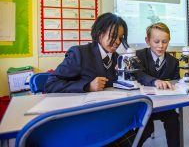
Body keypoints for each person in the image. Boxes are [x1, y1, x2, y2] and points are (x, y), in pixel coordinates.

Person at [45, 12, 135, 147]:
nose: (117, 42)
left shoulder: (117, 58)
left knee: (134, 130)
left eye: (120, 38)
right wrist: (87, 86)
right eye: (113, 36)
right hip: (85, 119)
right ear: (99, 33)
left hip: (110, 116)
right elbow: (51, 84)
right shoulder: (79, 53)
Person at [135, 22, 180, 147]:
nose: (161, 46)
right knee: (145, 128)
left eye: (165, 42)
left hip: (165, 104)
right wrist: (155, 81)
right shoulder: (138, 56)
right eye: (156, 41)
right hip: (144, 105)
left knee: (173, 121)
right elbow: (139, 74)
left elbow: (176, 81)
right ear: (148, 41)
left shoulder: (173, 62)